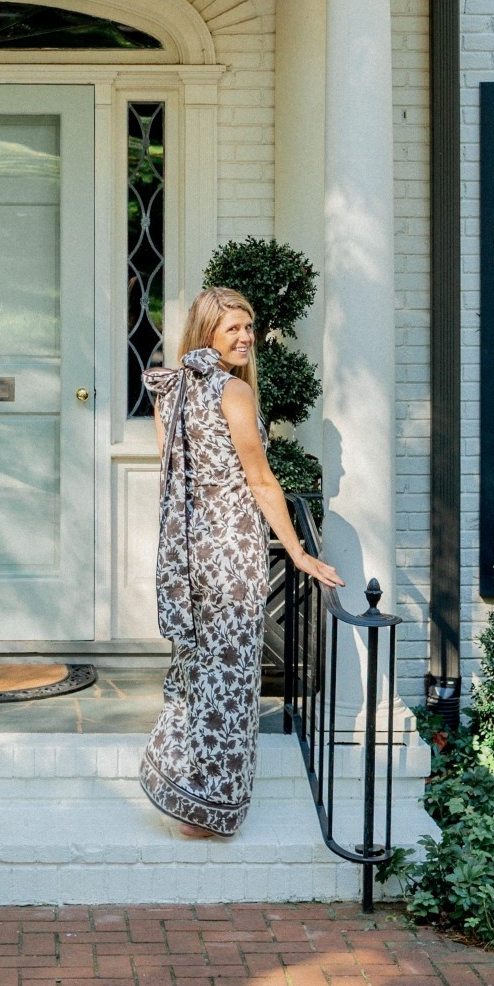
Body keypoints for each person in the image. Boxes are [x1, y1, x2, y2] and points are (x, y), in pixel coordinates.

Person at [141, 287, 342, 840]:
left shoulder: (172, 388)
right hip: (229, 549)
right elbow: (259, 479)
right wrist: (298, 552)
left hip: (189, 550)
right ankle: (209, 811)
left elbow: (170, 473)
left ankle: (181, 792)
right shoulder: (232, 392)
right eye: (233, 328)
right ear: (208, 332)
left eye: (249, 327)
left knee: (199, 672)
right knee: (228, 680)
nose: (246, 337)